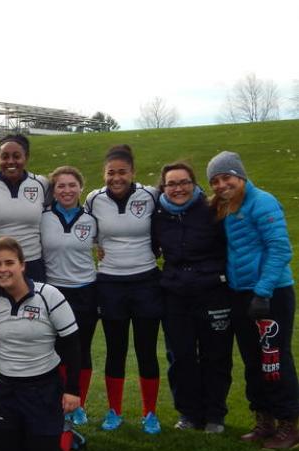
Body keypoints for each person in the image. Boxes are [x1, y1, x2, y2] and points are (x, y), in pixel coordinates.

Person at [207, 151, 299, 449]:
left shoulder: (263, 202)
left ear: (241, 176)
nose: (221, 185)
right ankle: (264, 419)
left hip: (270, 294)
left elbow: (280, 249)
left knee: (274, 359)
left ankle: (289, 424)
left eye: (227, 177)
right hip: (240, 293)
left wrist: (263, 291)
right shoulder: (227, 207)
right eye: (216, 181)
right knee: (252, 361)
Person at [0, 237, 80, 451]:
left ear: (23, 265)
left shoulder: (49, 295)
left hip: (42, 388)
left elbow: (73, 344)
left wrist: (72, 391)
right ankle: (29, 432)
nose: (3, 269)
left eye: (9, 263)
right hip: (6, 389)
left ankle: (65, 431)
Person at [85, 145, 162, 434]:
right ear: (104, 174)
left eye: (122, 172)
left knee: (146, 350)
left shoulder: (150, 196)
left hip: (146, 281)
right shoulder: (94, 199)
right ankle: (114, 412)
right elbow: (85, 230)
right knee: (115, 350)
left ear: (133, 172)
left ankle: (150, 413)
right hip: (110, 283)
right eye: (110, 173)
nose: (116, 178)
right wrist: (96, 247)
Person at [151, 162, 233, 433]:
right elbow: (150, 246)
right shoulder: (158, 214)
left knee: (215, 355)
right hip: (175, 294)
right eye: (171, 184)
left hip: (212, 292)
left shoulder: (213, 209)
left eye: (184, 182)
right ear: (163, 187)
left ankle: (214, 415)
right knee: (181, 356)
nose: (178, 188)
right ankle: (188, 413)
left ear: (194, 183)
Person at [41, 166, 99, 426]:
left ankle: (79, 404)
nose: (66, 190)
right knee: (54, 350)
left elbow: (105, 246)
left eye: (72, 185)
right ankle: (55, 401)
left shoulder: (92, 217)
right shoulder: (42, 217)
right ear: (53, 190)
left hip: (86, 290)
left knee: (81, 351)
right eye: (60, 186)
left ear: (80, 187)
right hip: (54, 292)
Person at [0, 134, 49, 281]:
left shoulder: (41, 184)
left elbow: (55, 215)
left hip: (31, 263)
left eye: (17, 156)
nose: (11, 161)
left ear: (26, 157)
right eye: (4, 156)